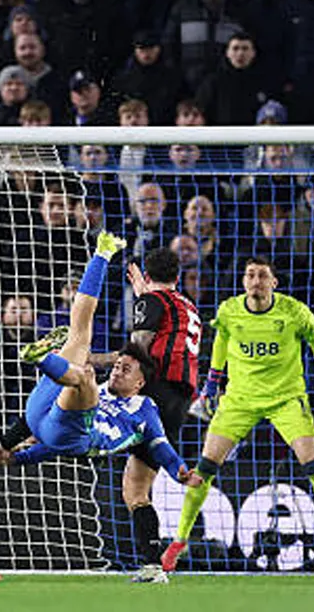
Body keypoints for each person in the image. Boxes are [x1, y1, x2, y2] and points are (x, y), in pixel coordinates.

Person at [161, 257, 314, 575]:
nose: (255, 281)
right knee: (205, 467)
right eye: (250, 275)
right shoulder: (229, 311)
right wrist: (212, 384)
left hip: (286, 399)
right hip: (240, 400)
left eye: (262, 276)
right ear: (244, 282)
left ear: (273, 283)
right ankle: (179, 542)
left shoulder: (294, 312)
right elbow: (223, 340)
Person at [0, 234, 198, 504]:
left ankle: (48, 357)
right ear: (177, 279)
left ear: (141, 382)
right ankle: (100, 257)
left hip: (44, 418)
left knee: (82, 355)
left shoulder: (146, 411)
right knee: (81, 348)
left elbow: (161, 446)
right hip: (61, 423)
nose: (118, 370)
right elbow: (60, 442)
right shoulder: (126, 398)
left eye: (124, 368)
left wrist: (12, 452)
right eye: (119, 368)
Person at [117, 248, 201, 582]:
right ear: (177, 277)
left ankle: (153, 567)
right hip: (179, 397)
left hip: (155, 392)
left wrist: (96, 362)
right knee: (137, 485)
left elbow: (138, 349)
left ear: (147, 278)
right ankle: (153, 565)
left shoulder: (151, 303)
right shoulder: (187, 304)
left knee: (134, 489)